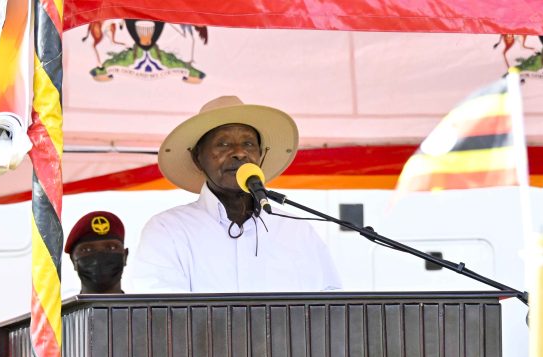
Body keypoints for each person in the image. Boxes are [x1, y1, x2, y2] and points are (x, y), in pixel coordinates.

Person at [124, 95, 341, 293]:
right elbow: (162, 312)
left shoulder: (298, 231)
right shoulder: (168, 230)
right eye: (223, 143)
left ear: (261, 156)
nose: (239, 153)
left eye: (248, 143)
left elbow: (331, 307)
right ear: (198, 158)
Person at [65, 210, 128, 294]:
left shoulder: (145, 303)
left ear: (125, 256)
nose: (100, 256)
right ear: (73, 260)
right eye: (87, 250)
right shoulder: (55, 303)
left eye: (111, 247)